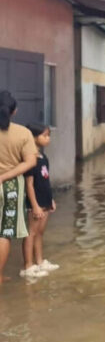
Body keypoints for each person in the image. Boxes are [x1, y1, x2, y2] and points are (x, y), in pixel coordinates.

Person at [0, 91, 37, 284]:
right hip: (11, 187)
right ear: (14, 112)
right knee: (4, 233)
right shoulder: (23, 133)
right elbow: (30, 162)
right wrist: (4, 176)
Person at [20, 123, 58, 279]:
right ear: (34, 138)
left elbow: (45, 181)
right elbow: (29, 185)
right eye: (45, 135)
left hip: (45, 199)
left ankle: (40, 261)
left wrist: (51, 200)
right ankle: (28, 266)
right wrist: (34, 205)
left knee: (40, 232)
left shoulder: (43, 157)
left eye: (48, 135)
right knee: (31, 233)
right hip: (34, 203)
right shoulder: (30, 159)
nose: (48, 138)